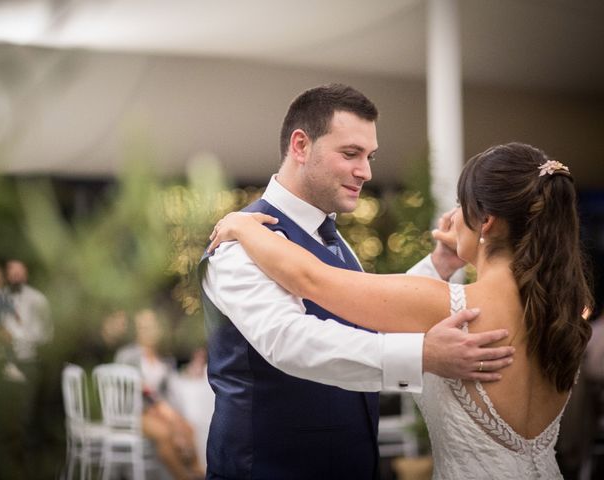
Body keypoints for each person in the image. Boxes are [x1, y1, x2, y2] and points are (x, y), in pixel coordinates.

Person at [208, 142, 593, 478]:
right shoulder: (565, 315)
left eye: (461, 205)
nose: (453, 216)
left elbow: (311, 279)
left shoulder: (448, 307)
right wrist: (446, 259)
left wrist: (243, 226)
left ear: (486, 221)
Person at [199, 83, 515, 479]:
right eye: (350, 154)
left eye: (369, 156)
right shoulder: (240, 242)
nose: (366, 171)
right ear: (300, 146)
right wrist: (421, 354)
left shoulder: (330, 234)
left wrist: (440, 263)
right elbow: (288, 340)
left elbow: (362, 311)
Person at [115, 309, 204, 480]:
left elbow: (169, 393)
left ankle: (198, 471)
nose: (147, 331)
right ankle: (182, 477)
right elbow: (132, 385)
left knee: (188, 428)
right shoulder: (128, 355)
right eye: (143, 326)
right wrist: (161, 409)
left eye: (151, 326)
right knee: (164, 433)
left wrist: (173, 416)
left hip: (161, 412)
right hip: (137, 412)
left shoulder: (163, 359)